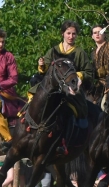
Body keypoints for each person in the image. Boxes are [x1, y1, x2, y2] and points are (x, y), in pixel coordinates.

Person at [33, 20, 93, 154]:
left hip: (71, 90)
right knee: (33, 100)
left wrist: (75, 76)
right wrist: (42, 65)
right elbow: (45, 71)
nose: (71, 36)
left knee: (69, 112)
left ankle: (64, 142)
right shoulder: (53, 50)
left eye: (74, 34)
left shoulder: (79, 53)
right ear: (63, 34)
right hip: (53, 90)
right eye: (68, 33)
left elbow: (89, 72)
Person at [89, 21, 109, 105]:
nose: (97, 34)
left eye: (100, 32)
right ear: (92, 36)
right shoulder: (93, 53)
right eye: (95, 33)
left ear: (104, 34)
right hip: (98, 86)